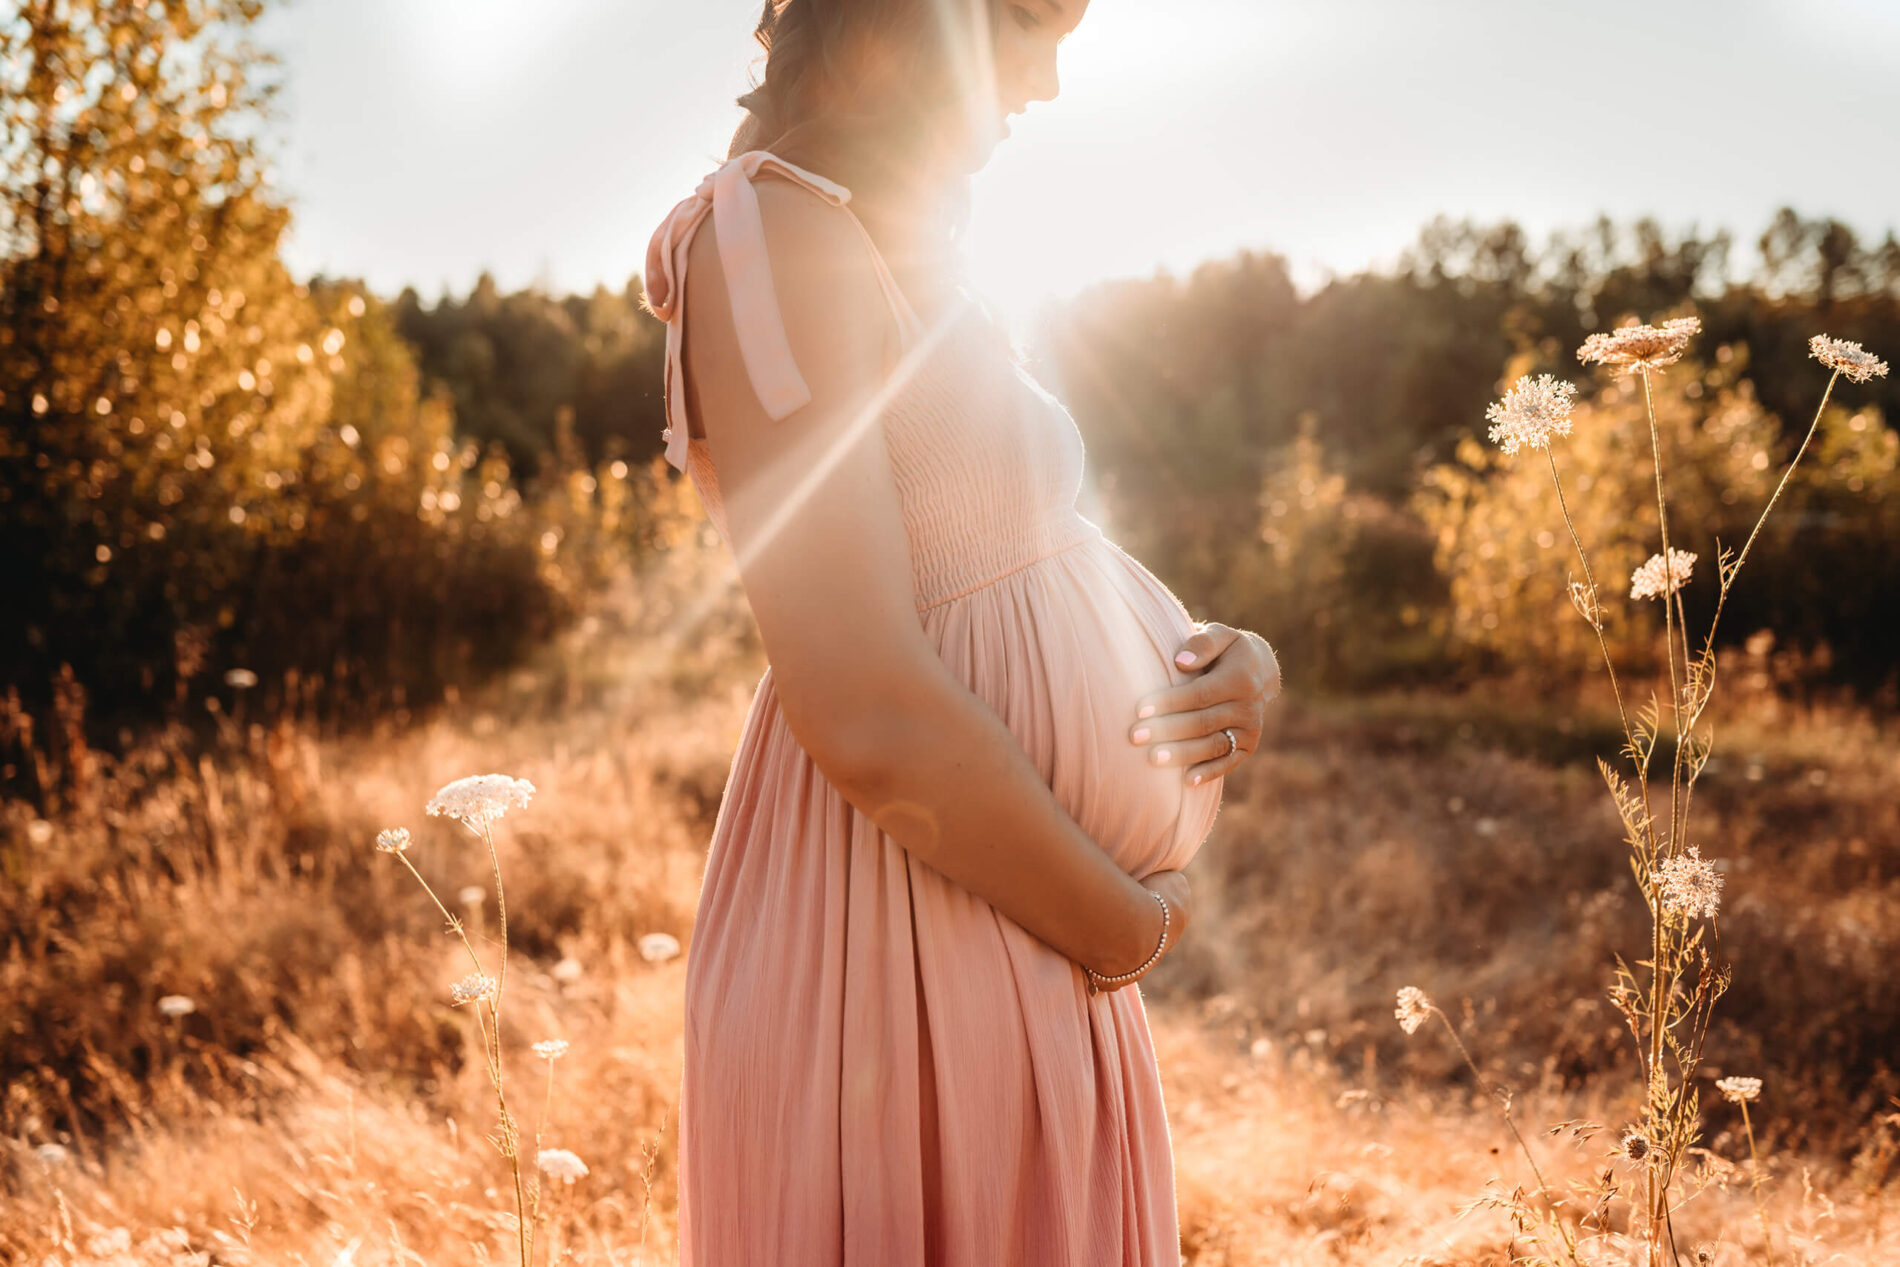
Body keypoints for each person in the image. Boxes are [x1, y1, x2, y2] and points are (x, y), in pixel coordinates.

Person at [639, 1, 1282, 1261]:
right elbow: (867, 703)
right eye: (1029, 24)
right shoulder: (767, 237)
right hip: (903, 937)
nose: (1044, 83)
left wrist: (1221, 652)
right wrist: (1117, 927)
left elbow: (1005, 547)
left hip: (1008, 918)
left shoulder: (892, 246)